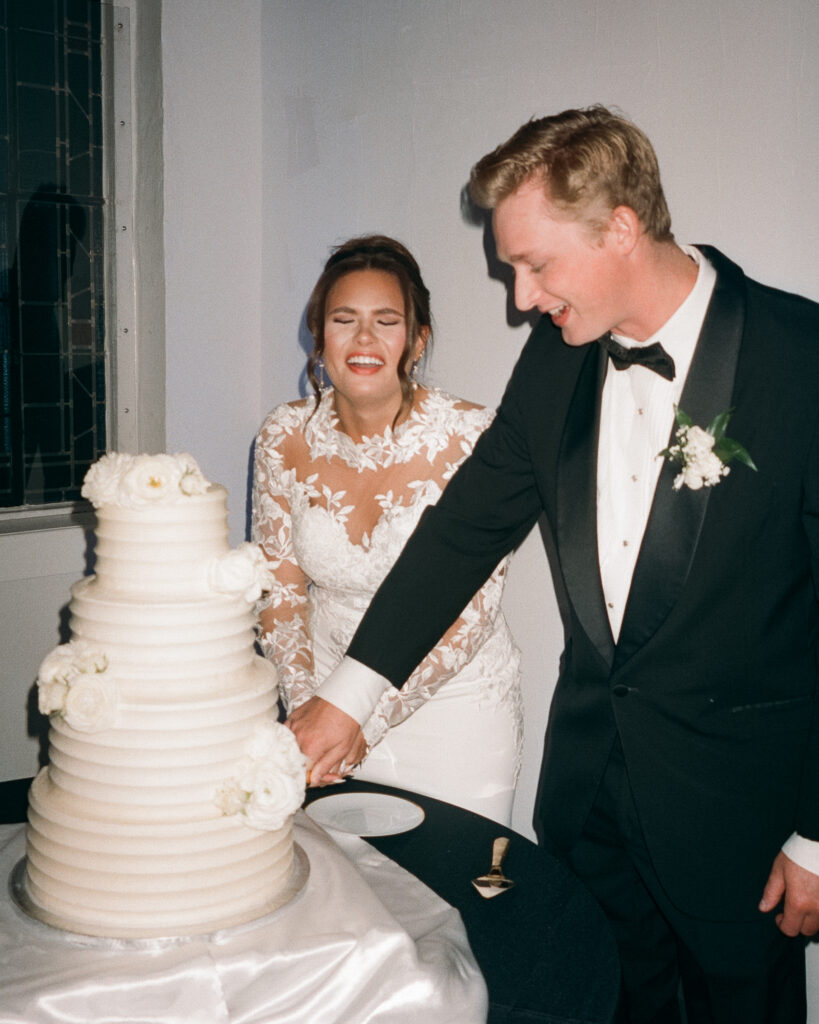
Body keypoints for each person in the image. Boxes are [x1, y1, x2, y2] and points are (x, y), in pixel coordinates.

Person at [285, 109, 819, 1022]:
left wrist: (818, 834)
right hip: (591, 807)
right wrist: (348, 695)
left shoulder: (798, 357)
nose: (520, 299)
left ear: (619, 227)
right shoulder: (558, 360)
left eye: (534, 266)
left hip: (745, 821)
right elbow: (464, 529)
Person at [252, 234, 522, 824]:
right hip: (324, 698)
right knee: (342, 894)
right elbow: (280, 590)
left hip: (453, 709)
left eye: (386, 321)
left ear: (417, 340)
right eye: (343, 319)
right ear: (319, 336)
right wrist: (309, 709)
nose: (365, 339)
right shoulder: (284, 435)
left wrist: (360, 721)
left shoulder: (474, 437)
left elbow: (469, 610)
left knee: (455, 887)